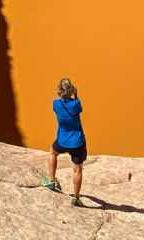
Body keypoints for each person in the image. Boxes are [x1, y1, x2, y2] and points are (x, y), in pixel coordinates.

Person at [43, 77, 87, 206]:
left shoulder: (55, 103)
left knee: (52, 152)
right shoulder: (76, 104)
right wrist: (76, 95)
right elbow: (78, 107)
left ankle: (51, 180)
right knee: (77, 170)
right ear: (71, 90)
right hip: (77, 142)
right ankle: (76, 198)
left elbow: (59, 107)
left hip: (62, 140)